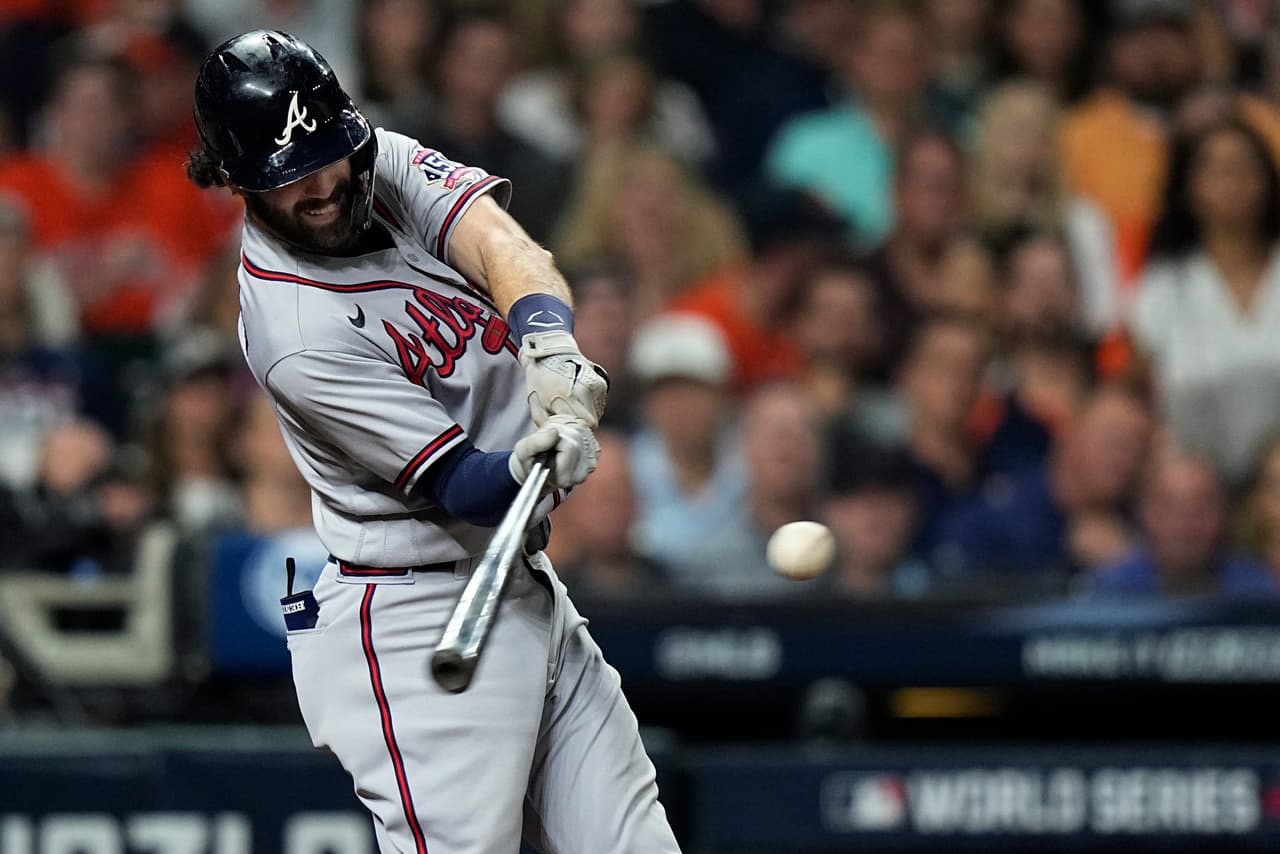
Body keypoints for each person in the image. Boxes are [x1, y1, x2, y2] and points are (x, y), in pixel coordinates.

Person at [185, 31, 678, 854]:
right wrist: (536, 462)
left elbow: (501, 244)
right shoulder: (295, 333)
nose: (322, 185)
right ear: (234, 180)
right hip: (411, 616)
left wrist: (551, 347)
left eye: (326, 156)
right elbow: (462, 483)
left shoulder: (372, 161)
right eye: (288, 175)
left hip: (513, 581)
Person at [1131, 119, 1280, 487]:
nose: (1232, 184)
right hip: (1194, 493)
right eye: (1216, 170)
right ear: (1188, 187)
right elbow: (1133, 391)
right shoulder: (1162, 286)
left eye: (1245, 168)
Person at [1088, 450, 1277, 598]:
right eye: (1170, 508)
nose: (1185, 525)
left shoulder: (1261, 593)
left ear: (1224, 515)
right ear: (1144, 514)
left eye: (1200, 508)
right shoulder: (1105, 592)